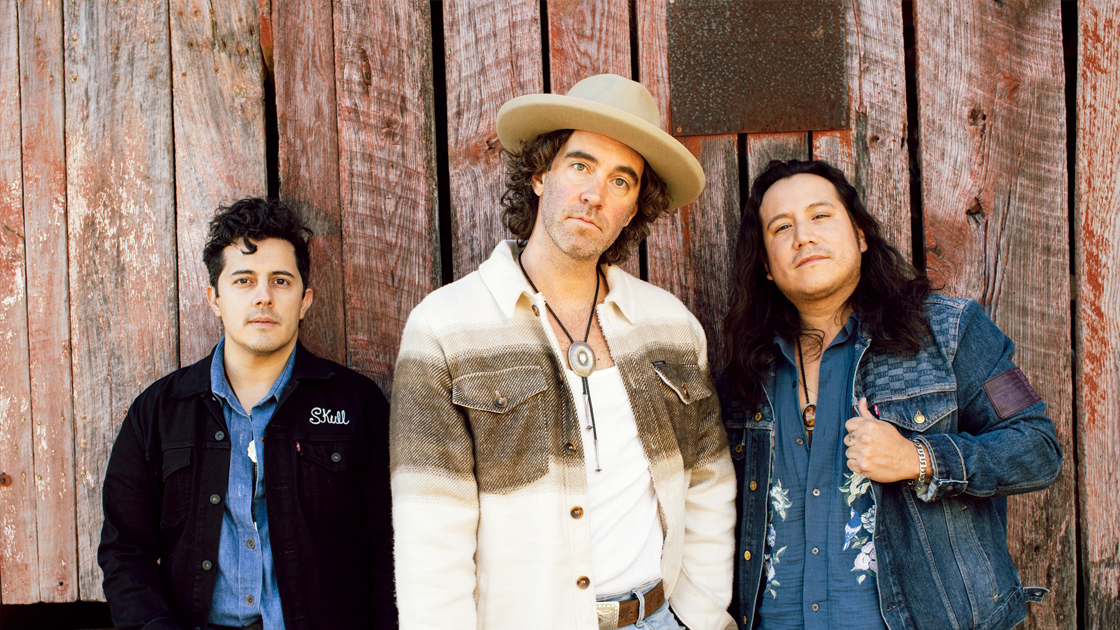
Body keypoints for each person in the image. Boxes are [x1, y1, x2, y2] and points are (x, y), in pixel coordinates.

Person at [390, 74, 737, 630]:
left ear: (632, 211)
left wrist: (699, 616)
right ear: (540, 174)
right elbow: (431, 528)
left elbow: (708, 485)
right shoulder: (445, 328)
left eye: (621, 181)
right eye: (581, 165)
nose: (595, 194)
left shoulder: (671, 327)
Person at [718, 159, 1062, 630]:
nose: (803, 236)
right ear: (767, 267)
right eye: (781, 227)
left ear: (860, 235)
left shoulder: (949, 331)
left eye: (821, 216)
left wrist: (918, 458)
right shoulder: (744, 372)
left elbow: (1038, 447)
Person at [98, 198, 396, 630]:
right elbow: (125, 550)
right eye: (243, 280)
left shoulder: (358, 406)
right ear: (215, 298)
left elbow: (390, 548)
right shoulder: (160, 412)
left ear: (305, 299)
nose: (263, 296)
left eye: (280, 280)